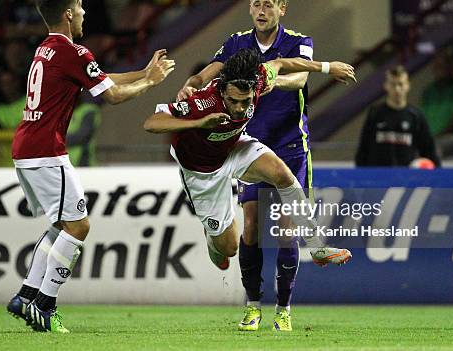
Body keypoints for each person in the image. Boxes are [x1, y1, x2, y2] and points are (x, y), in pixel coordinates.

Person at [175, 0, 355, 332]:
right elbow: (211, 73)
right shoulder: (237, 44)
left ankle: (284, 310)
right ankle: (252, 305)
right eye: (256, 4)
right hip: (250, 145)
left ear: (281, 9)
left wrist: (276, 79)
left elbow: (297, 78)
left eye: (268, 5)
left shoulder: (298, 42)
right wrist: (192, 83)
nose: (261, 10)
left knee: (287, 231)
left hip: (290, 145)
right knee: (253, 227)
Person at [6, 0, 175, 333]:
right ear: (68, 14)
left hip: (27, 148)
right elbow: (110, 95)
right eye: (80, 6)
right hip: (47, 151)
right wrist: (151, 83)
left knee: (60, 225)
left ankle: (25, 296)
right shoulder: (74, 51)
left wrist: (142, 71)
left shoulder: (47, 49)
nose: (84, 12)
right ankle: (45, 305)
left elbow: (100, 76)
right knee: (79, 226)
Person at [145, 49, 354, 330]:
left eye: (245, 103)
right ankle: (212, 238)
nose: (240, 109)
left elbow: (282, 63)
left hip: (235, 147)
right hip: (203, 172)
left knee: (282, 174)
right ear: (222, 89)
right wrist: (198, 123)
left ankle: (317, 247)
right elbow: (151, 122)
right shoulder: (201, 101)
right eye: (233, 101)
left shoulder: (257, 81)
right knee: (228, 248)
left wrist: (327, 66)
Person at [355, 65, 441, 167]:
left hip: (406, 178)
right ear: (386, 86)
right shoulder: (375, 113)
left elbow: (429, 151)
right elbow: (363, 149)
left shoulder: (416, 116)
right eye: (393, 84)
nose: (397, 89)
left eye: (401, 84)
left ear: (408, 86)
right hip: (378, 177)